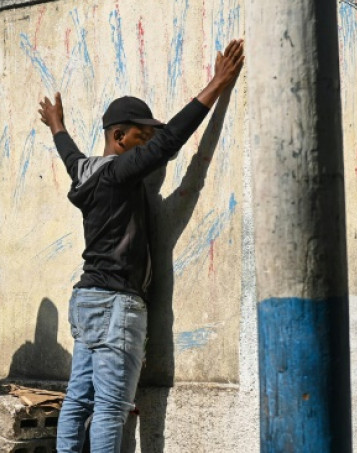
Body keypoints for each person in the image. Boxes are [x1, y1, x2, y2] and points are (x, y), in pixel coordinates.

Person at [38, 39, 244, 453]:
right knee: (111, 410)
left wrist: (56, 124)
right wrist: (216, 85)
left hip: (86, 301)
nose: (150, 144)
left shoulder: (84, 172)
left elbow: (68, 150)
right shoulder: (118, 173)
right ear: (119, 136)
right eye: (141, 135)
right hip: (115, 306)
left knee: (78, 401)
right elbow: (171, 143)